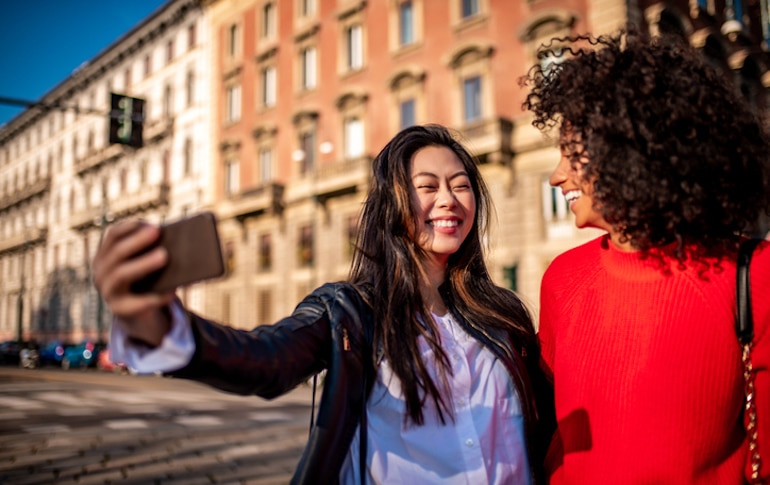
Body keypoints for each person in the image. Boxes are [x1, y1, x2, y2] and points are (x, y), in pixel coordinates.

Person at [92, 124, 555, 485]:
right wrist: (160, 324)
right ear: (393, 201)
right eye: (428, 186)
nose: (449, 200)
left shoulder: (504, 315)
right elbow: (266, 359)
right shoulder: (350, 310)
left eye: (461, 185)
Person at [521, 27, 770, 484]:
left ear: (630, 150)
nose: (557, 176)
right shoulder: (562, 278)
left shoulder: (756, 275)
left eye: (571, 154)